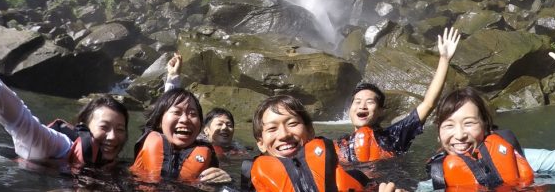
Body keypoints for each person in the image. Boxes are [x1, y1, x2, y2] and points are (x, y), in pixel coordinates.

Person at [0, 16, 128, 168]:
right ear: (83, 128)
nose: (112, 137)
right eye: (104, 127)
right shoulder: (60, 146)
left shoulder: (118, 167)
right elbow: (20, 120)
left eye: (120, 129)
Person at [417, 45, 555, 191]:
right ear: (438, 135)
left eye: (469, 123)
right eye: (449, 125)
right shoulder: (434, 181)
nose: (459, 135)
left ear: (486, 126)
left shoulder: (520, 159)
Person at [337, 27, 460, 164]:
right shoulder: (341, 145)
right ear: (349, 110)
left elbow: (428, 104)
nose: (362, 106)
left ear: (380, 111)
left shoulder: (395, 135)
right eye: (358, 102)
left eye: (370, 102)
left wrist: (444, 59)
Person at [242, 94, 370, 192]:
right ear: (260, 143)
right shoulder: (251, 181)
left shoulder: (354, 175)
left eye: (292, 124)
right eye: (272, 128)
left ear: (310, 131)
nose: (284, 134)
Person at [130, 87, 231, 184]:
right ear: (159, 121)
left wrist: (223, 183)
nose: (185, 119)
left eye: (192, 114)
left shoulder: (209, 158)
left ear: (200, 126)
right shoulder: (149, 144)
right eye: (177, 112)